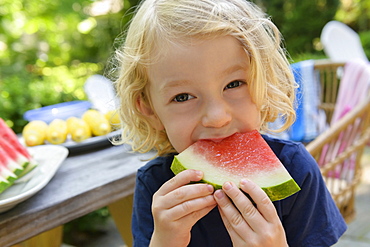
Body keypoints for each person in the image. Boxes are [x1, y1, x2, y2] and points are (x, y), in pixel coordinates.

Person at [112, 0, 347, 246]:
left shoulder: (296, 170)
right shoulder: (154, 187)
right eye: (182, 97)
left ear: (263, 82)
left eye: (233, 84)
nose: (217, 117)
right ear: (149, 109)